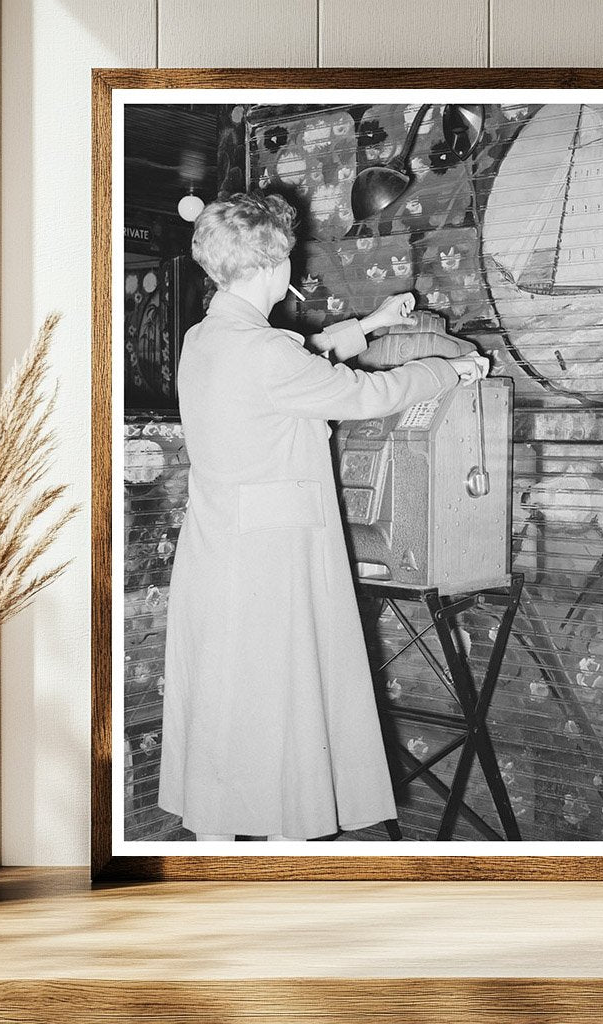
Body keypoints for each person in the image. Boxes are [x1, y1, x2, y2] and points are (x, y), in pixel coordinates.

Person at [156, 192, 488, 841]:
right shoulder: (267, 354)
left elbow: (303, 354)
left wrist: (373, 321)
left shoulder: (207, 339)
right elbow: (368, 393)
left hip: (219, 548)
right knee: (284, 705)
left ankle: (215, 845)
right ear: (270, 263)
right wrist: (449, 369)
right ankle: (283, 842)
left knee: (229, 704)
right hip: (272, 559)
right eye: (288, 256)